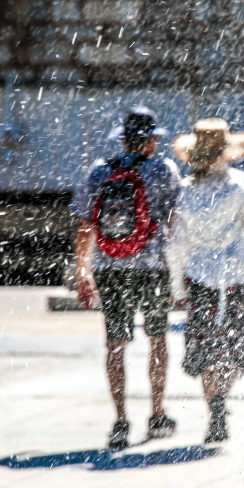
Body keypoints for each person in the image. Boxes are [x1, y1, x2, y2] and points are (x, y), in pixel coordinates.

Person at [70, 106, 181, 449]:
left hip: (110, 268)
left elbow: (84, 225)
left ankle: (120, 421)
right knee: (157, 340)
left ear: (122, 139)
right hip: (153, 267)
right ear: (149, 141)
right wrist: (180, 271)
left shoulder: (99, 171)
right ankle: (157, 413)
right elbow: (177, 220)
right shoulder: (163, 169)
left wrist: (82, 272)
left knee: (115, 345)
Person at [167, 119, 244, 443]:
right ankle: (221, 400)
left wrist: (176, 286)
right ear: (226, 152)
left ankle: (214, 408)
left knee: (206, 351)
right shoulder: (241, 185)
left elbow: (177, 243)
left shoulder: (185, 191)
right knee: (234, 347)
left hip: (199, 280)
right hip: (236, 277)